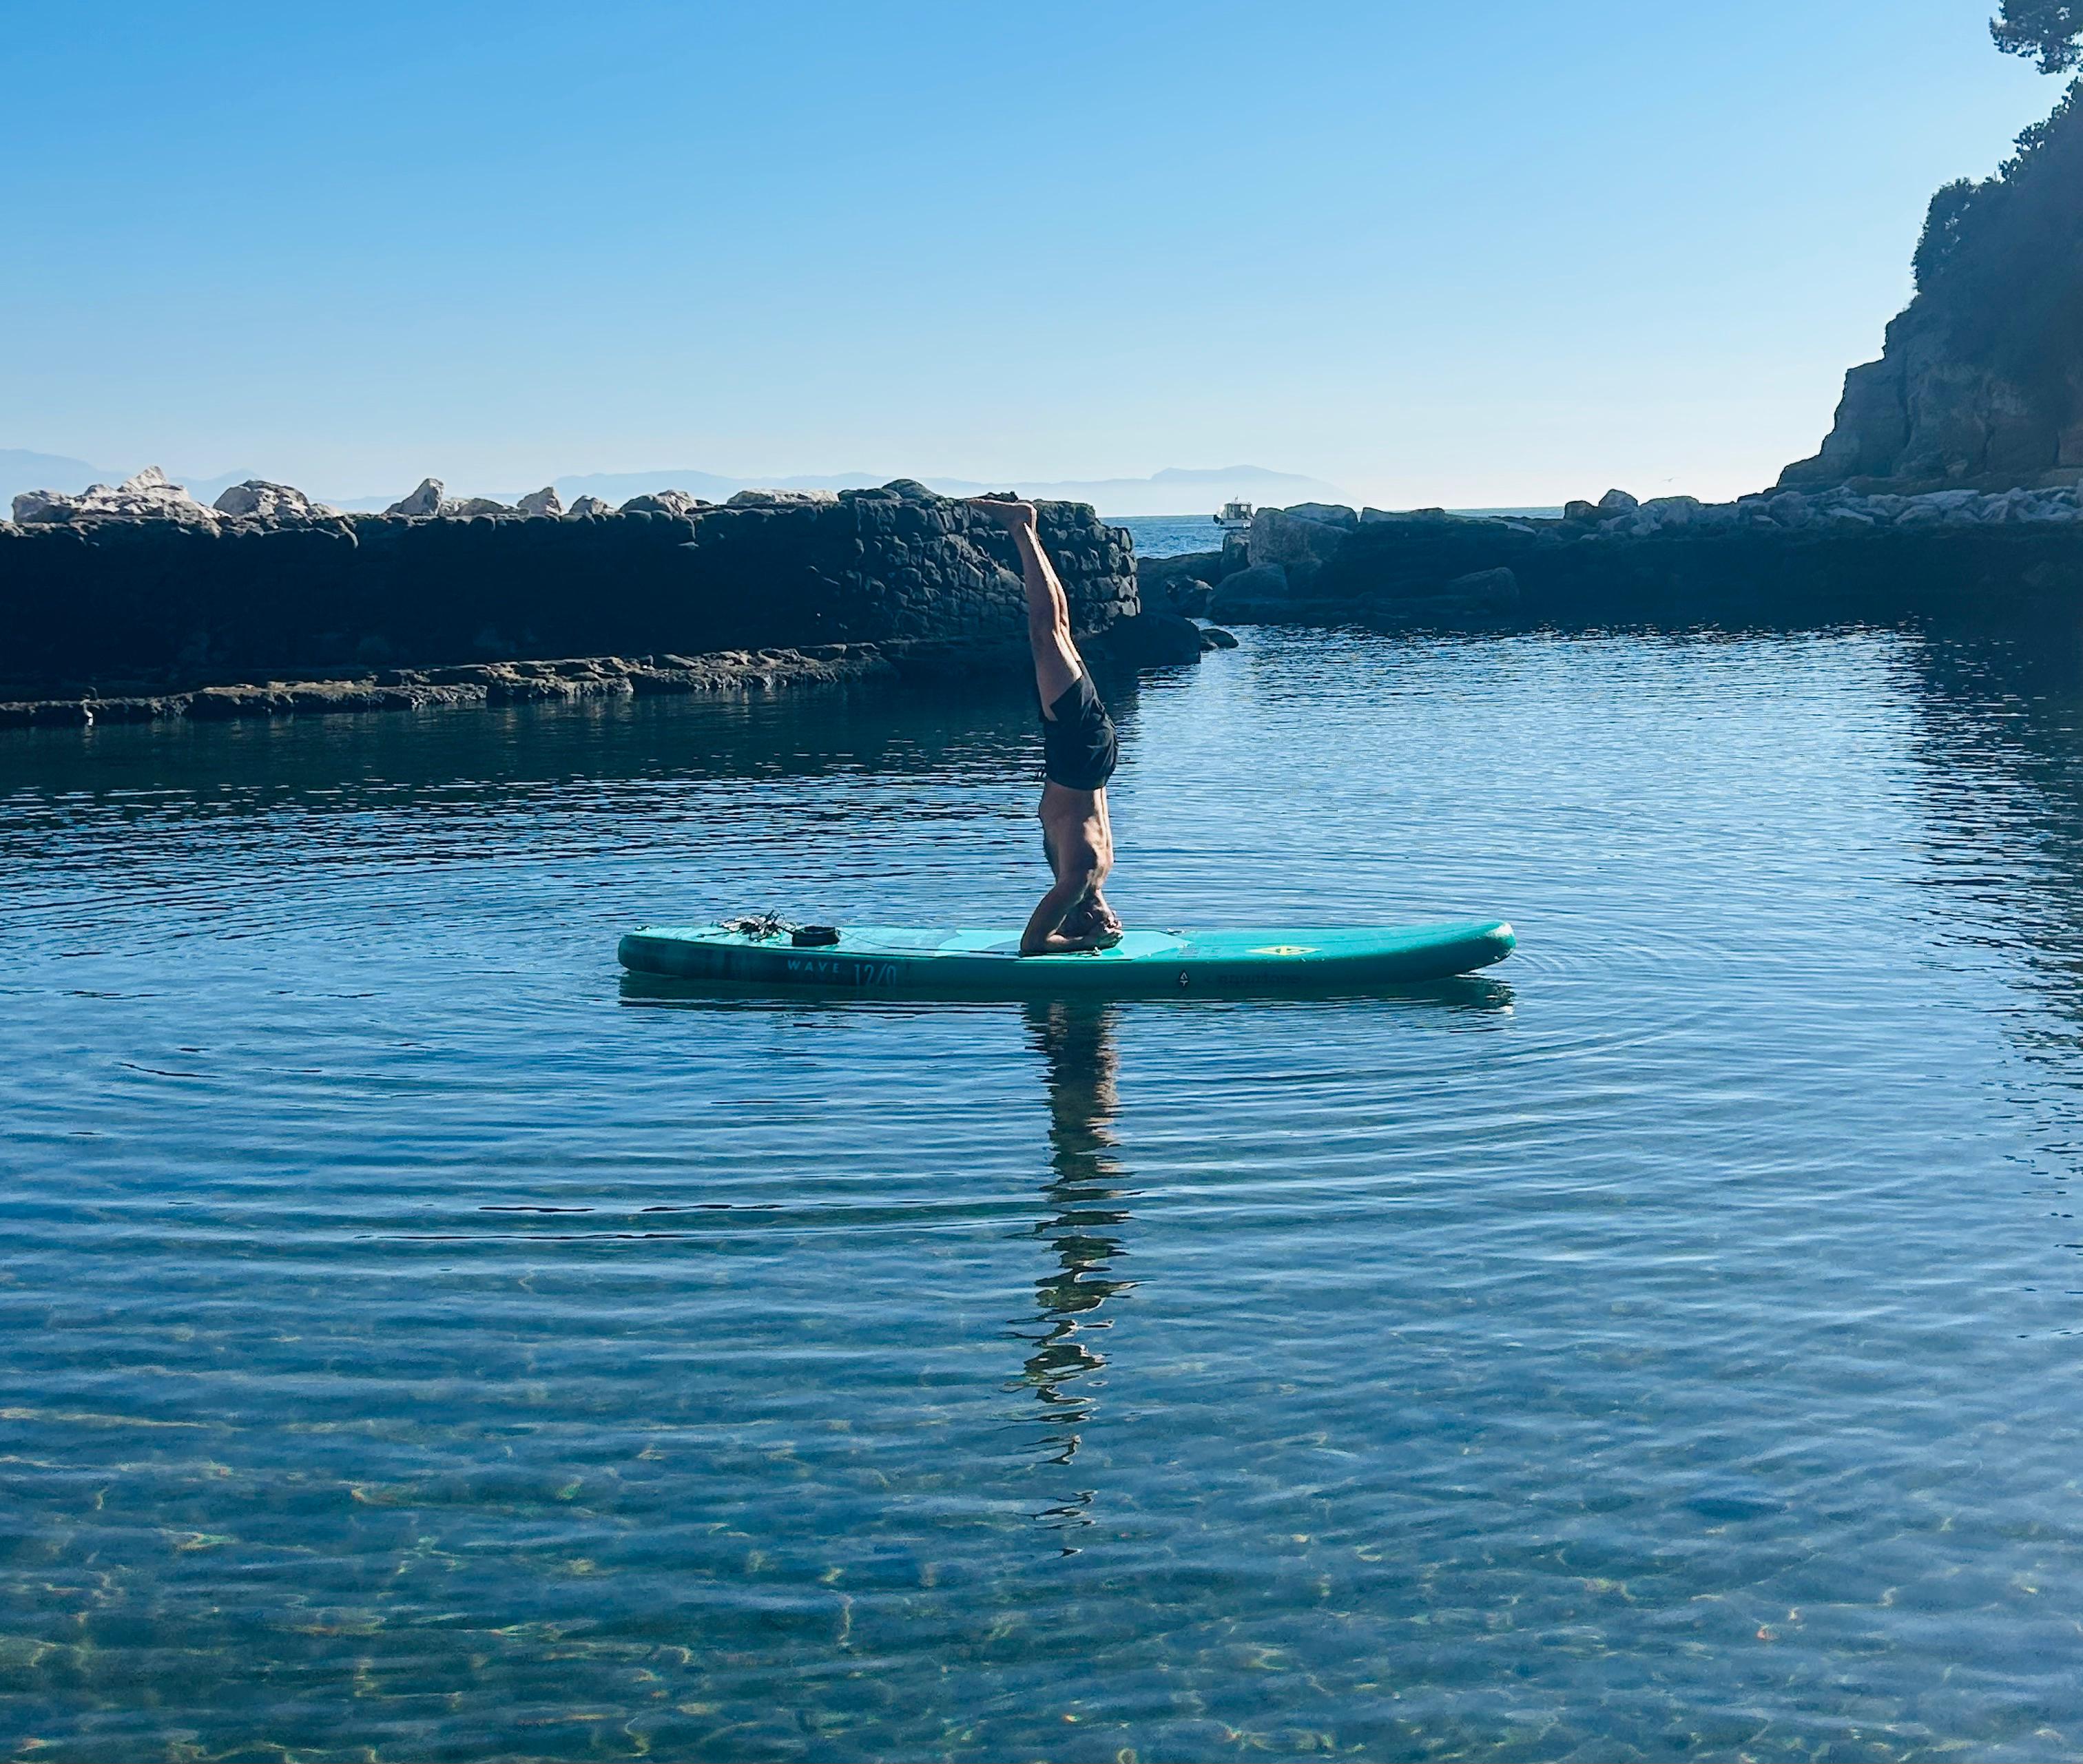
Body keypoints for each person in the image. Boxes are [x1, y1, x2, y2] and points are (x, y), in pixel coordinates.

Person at [968, 497, 1124, 954]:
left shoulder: (1091, 876)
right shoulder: (1082, 877)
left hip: (1089, 755)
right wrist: (1084, 943)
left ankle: (1027, 529)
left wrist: (1082, 935)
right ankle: (1022, 528)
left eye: (1106, 921)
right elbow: (1034, 945)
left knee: (1057, 630)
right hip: (1080, 754)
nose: (1114, 919)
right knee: (1046, 634)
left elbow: (1041, 937)